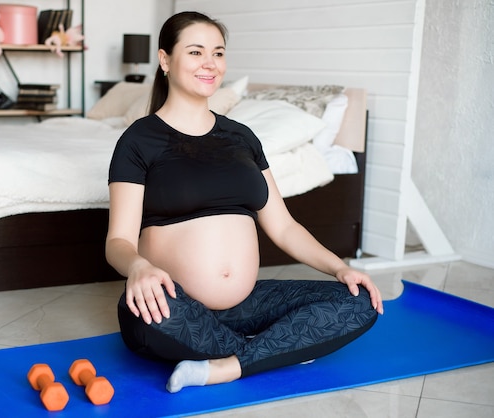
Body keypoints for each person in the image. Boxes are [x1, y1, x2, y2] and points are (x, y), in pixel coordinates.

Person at [105, 11, 384, 394]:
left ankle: (227, 365)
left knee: (359, 301)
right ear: (165, 60)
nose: (210, 63)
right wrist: (137, 266)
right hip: (176, 305)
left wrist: (340, 268)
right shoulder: (139, 140)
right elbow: (117, 241)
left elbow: (284, 226)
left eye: (218, 53)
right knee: (150, 316)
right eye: (196, 51)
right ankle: (279, 348)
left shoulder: (242, 137)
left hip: (248, 304)